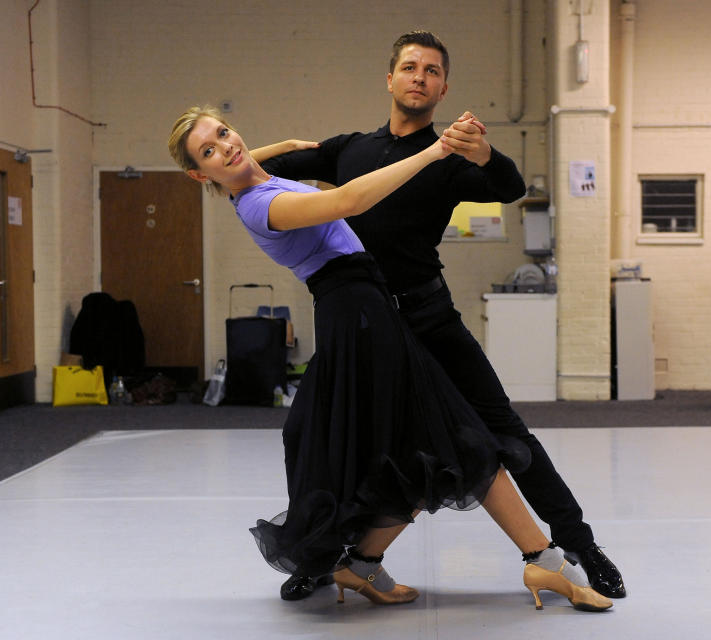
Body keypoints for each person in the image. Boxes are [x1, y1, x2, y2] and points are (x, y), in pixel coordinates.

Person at [168, 105, 612, 612]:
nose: (226, 145)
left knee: (425, 447)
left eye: (224, 132)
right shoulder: (257, 204)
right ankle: (542, 560)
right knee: (451, 438)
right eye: (210, 150)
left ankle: (365, 566)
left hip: (367, 308)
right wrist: (437, 150)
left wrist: (277, 147)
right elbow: (351, 200)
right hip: (358, 315)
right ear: (200, 174)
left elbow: (245, 157)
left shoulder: (253, 177)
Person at [260, 30, 625, 601]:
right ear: (390, 78)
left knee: (505, 432)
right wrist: (242, 153)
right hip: (364, 328)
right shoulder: (348, 149)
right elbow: (266, 167)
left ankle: (579, 542)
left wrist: (484, 152)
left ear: (443, 87)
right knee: (333, 441)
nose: (420, 78)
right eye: (410, 67)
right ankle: (322, 558)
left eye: (432, 71)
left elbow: (506, 187)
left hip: (429, 319)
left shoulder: (450, 158)